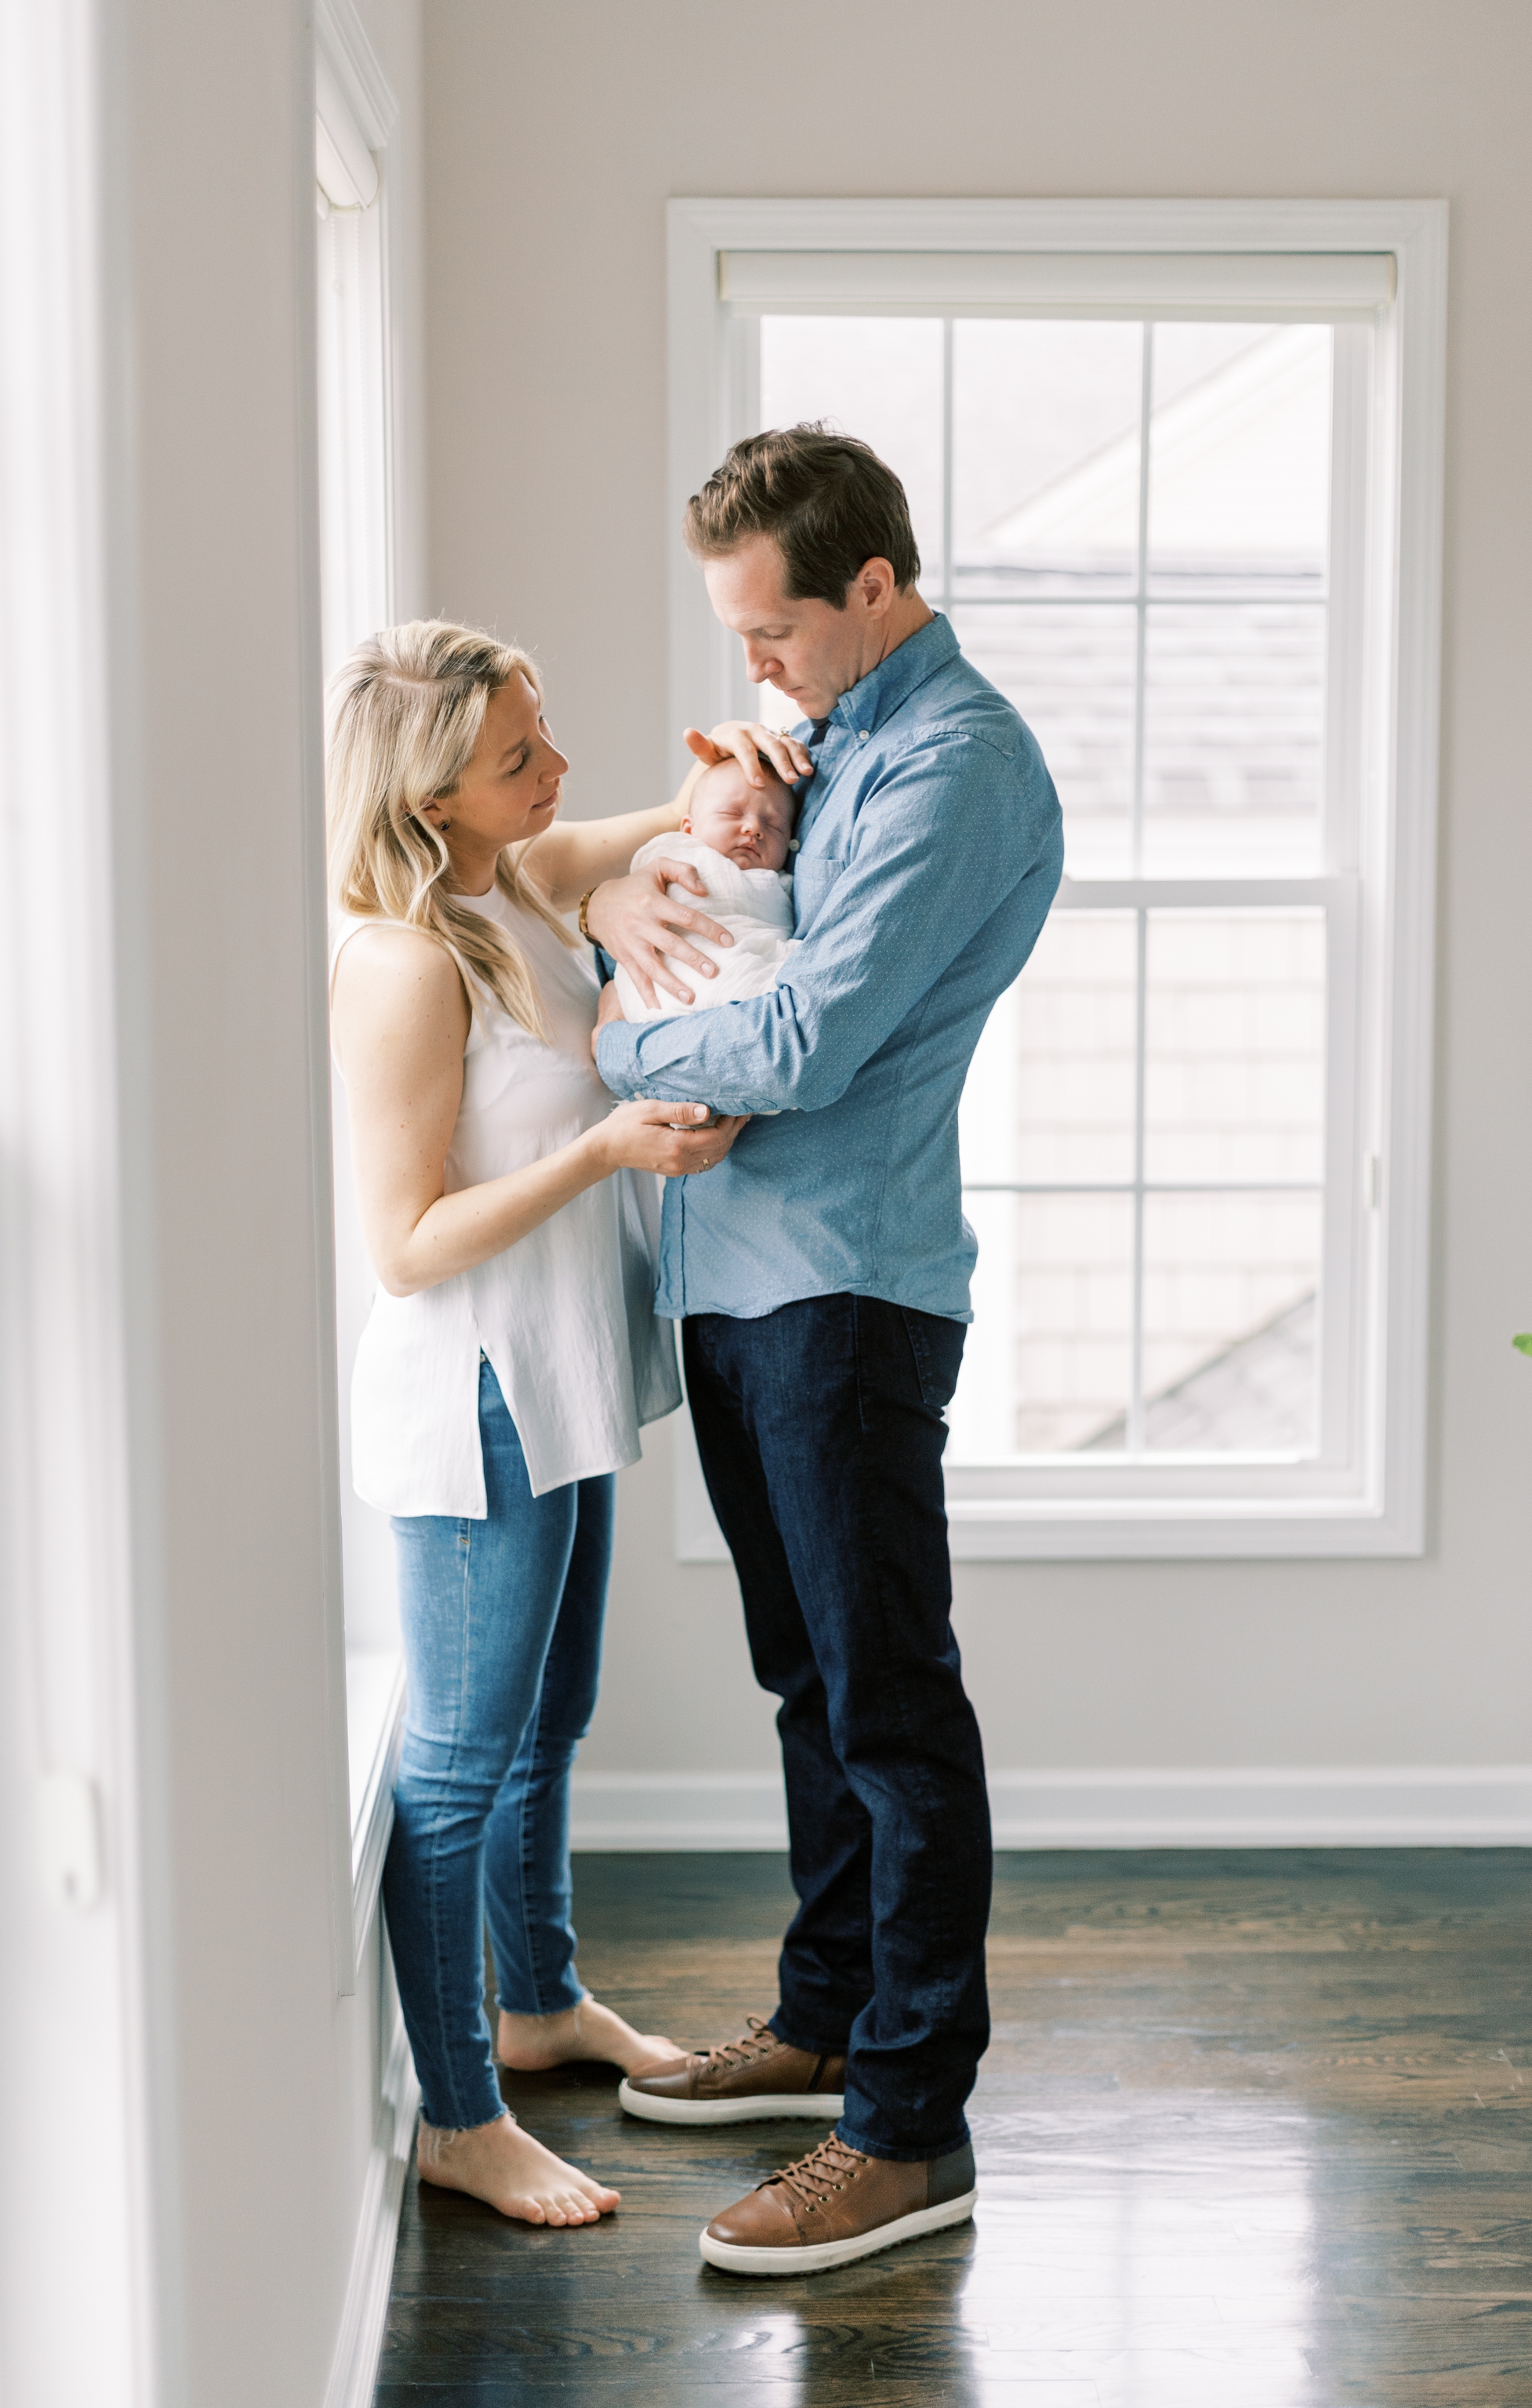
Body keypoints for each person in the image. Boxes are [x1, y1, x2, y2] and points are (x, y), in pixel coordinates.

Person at [583, 426, 1065, 2276]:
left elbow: (795, 1046)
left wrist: (612, 1056)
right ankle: (821, 2017)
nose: (750, 665)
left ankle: (903, 2121)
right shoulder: (820, 738)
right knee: (807, 1678)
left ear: (872, 585)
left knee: (884, 1700)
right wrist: (686, 859)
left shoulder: (951, 763)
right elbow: (718, 931)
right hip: (735, 1269)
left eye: (771, 627)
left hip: (844, 1284)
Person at [326, 620, 754, 2228]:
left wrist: (713, 782)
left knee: (549, 1720)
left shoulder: (503, 881)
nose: (550, 772)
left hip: (562, 1381)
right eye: (518, 756)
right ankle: (459, 2111)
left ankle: (542, 2002)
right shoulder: (403, 964)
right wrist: (603, 1157)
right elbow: (404, 1245)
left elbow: (607, 829)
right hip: (478, 1406)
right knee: (455, 1762)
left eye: (543, 734)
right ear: (433, 794)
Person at [612, 752, 799, 1023]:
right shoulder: (674, 856)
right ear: (688, 828)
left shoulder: (784, 885)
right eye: (732, 813)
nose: (754, 828)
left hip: (742, 975)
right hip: (663, 985)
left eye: (774, 825)